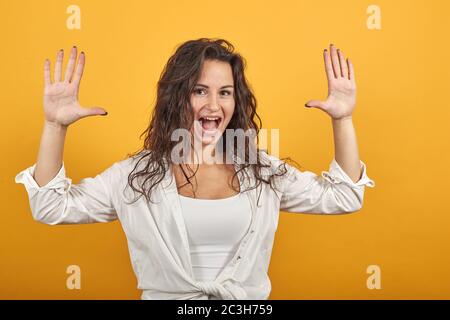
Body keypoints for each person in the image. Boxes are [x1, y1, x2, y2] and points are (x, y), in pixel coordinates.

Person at [15, 38, 375, 300]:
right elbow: (50, 206)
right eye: (200, 91)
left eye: (225, 92)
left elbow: (345, 196)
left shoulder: (260, 171)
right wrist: (55, 126)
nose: (214, 104)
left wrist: (342, 120)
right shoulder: (135, 177)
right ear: (177, 97)